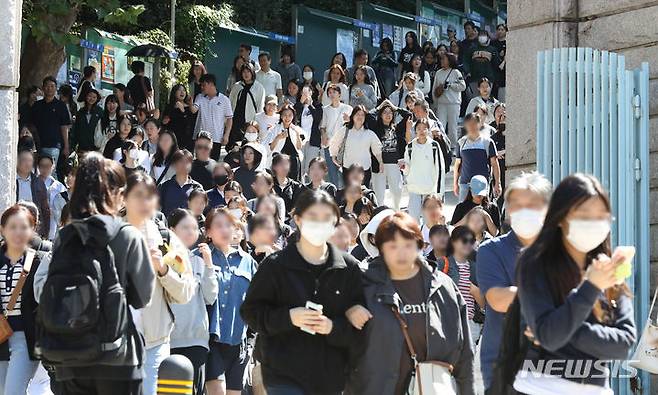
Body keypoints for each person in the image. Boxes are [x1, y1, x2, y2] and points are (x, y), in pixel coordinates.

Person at [32, 153, 154, 395]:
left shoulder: (65, 237)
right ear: (114, 194)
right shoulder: (127, 235)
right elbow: (142, 297)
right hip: (117, 355)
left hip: (69, 355)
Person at [513, 174, 635, 394]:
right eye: (584, 214)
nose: (594, 223)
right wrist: (590, 287)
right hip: (539, 386)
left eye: (601, 216)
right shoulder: (534, 263)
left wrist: (562, 329)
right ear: (560, 217)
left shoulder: (609, 269)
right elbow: (550, 335)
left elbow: (624, 344)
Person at [241, 190, 364, 394]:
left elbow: (358, 328)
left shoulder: (348, 268)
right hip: (283, 374)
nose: (319, 224)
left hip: (331, 376)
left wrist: (332, 327)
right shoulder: (275, 266)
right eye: (312, 217)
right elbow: (251, 313)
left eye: (326, 218)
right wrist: (288, 317)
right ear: (297, 219)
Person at [344, 212, 475, 395]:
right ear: (380, 249)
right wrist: (347, 311)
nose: (401, 253)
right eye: (392, 246)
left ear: (420, 244)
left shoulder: (443, 286)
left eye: (407, 244)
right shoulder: (362, 284)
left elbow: (465, 353)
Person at [474, 172, 551, 391]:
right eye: (517, 204)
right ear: (508, 211)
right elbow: (498, 299)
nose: (524, 211)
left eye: (532, 204)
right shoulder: (491, 250)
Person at [121, 171, 195, 395]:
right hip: (115, 344)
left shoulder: (166, 238)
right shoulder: (107, 235)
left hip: (155, 342)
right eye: (138, 195)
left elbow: (186, 291)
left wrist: (163, 270)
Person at [202, 208, 258, 395]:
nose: (225, 230)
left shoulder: (248, 262)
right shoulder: (199, 257)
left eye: (229, 225)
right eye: (218, 225)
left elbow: (256, 300)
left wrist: (250, 341)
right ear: (208, 232)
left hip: (238, 340)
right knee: (217, 391)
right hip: (211, 341)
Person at [168, 209, 219, 395]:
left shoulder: (199, 261)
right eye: (185, 227)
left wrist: (208, 264)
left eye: (195, 228)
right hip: (168, 341)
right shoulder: (163, 260)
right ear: (172, 230)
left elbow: (210, 296)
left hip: (196, 340)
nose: (191, 232)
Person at [0, 205, 46, 394]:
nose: (18, 232)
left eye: (24, 227)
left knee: (13, 391)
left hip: (25, 338)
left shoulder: (39, 261)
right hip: (0, 335)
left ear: (32, 230)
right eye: (13, 227)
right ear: (2, 229)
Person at [367, 100, 407, 210]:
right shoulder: (375, 127)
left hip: (394, 163)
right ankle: (380, 213)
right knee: (379, 193)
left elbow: (408, 115)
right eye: (385, 112)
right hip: (379, 164)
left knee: (397, 190)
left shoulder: (397, 128)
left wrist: (396, 107)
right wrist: (379, 107)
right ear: (380, 115)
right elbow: (369, 115)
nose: (388, 115)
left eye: (390, 112)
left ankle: (396, 211)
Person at [329, 105, 383, 187]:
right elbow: (334, 142)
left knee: (364, 195)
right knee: (349, 196)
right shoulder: (345, 130)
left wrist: (380, 162)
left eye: (362, 115)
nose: (360, 117)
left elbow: (377, 149)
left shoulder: (369, 133)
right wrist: (333, 156)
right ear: (352, 116)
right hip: (348, 169)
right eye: (357, 114)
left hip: (364, 170)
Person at [402, 119, 445, 220]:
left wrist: (439, 193)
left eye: (425, 128)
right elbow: (407, 170)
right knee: (413, 220)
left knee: (429, 221)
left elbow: (440, 169)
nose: (422, 131)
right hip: (414, 189)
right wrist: (404, 167)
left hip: (429, 189)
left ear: (428, 130)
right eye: (419, 128)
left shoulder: (434, 146)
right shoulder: (410, 147)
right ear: (415, 130)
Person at [454, 113, 501, 201]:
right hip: (465, 184)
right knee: (464, 211)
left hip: (482, 184)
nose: (471, 127)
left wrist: (497, 183)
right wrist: (455, 184)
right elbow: (457, 164)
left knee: (482, 210)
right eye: (469, 124)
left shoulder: (487, 142)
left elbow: (494, 164)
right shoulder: (461, 142)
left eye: (474, 123)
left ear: (479, 124)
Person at [31, 76, 71, 162]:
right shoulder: (37, 105)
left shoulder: (61, 106)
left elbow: (64, 127)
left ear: (56, 88)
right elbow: (31, 124)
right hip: (37, 144)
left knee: (50, 171)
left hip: (54, 145)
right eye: (47, 86)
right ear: (43, 88)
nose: (49, 88)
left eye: (52, 86)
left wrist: (66, 146)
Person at [194, 74, 233, 161]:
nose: (202, 87)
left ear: (211, 84)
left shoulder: (224, 99)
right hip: (202, 138)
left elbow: (229, 118)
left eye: (204, 85)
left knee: (213, 164)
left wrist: (226, 135)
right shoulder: (200, 97)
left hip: (216, 138)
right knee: (200, 162)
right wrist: (189, 103)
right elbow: (193, 110)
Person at [320, 84, 353, 187]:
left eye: (334, 92)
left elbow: (354, 125)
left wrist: (349, 120)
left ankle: (346, 193)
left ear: (339, 94)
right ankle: (335, 195)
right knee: (332, 171)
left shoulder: (348, 108)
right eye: (329, 92)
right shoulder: (325, 109)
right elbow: (323, 126)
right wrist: (324, 135)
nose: (332, 94)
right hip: (329, 143)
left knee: (345, 169)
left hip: (344, 143)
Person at [16, 148, 51, 239]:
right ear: (17, 161)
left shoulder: (38, 182)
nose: (27, 163)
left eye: (30, 160)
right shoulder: (12, 181)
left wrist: (45, 232)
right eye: (24, 160)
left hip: (32, 226)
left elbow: (45, 208)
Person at [433, 52, 466, 148]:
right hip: (441, 103)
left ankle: (453, 147)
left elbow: (463, 86)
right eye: (441, 59)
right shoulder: (438, 73)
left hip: (453, 103)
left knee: (452, 127)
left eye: (444, 59)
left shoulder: (456, 72)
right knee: (441, 126)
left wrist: (451, 85)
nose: (442, 61)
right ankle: (442, 146)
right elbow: (434, 89)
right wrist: (435, 104)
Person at [229, 63, 266, 145]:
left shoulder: (259, 87)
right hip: (236, 120)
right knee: (235, 145)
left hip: (250, 121)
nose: (246, 74)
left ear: (252, 72)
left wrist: (257, 122)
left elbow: (260, 106)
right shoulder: (237, 86)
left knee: (249, 144)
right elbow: (231, 102)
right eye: (244, 72)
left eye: (248, 72)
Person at [158, 149, 203, 217]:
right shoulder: (164, 186)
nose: (184, 165)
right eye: (181, 161)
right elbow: (156, 209)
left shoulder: (197, 187)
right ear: (174, 164)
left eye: (187, 162)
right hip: (168, 226)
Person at [264, 105, 304, 181]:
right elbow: (270, 148)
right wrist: (278, 138)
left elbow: (299, 147)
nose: (287, 118)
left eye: (290, 115)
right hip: (279, 161)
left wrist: (297, 134)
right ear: (281, 116)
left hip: (294, 162)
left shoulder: (296, 129)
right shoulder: (274, 129)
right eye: (285, 115)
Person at [294, 87, 324, 177]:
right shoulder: (298, 105)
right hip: (300, 141)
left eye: (308, 92)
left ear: (312, 93)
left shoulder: (317, 105)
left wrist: (310, 105)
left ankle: (312, 188)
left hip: (313, 140)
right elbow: (294, 117)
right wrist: (300, 103)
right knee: (300, 166)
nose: (306, 94)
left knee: (311, 166)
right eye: (304, 92)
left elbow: (318, 118)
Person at [37, 155, 68, 240]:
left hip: (54, 221)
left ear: (53, 166)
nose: (45, 169)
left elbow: (64, 208)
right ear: (38, 167)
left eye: (48, 166)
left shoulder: (59, 186)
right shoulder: (33, 183)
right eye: (42, 166)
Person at [463, 31, 500, 100]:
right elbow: (466, 61)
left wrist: (494, 77)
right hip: (474, 78)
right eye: (480, 35)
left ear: (488, 37)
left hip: (488, 79)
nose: (482, 37)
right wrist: (467, 71)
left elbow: (496, 64)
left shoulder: (492, 50)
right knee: (475, 99)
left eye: (484, 35)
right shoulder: (472, 49)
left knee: (485, 98)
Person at [163, 83, 197, 152]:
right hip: (172, 139)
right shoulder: (169, 107)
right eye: (179, 90)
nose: (182, 92)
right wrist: (164, 122)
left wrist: (183, 111)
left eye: (184, 90)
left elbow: (190, 124)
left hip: (186, 141)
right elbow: (164, 124)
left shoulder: (189, 107)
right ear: (174, 92)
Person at [70, 88, 103, 152]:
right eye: (89, 96)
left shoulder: (100, 111)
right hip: (82, 145)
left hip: (95, 145)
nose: (91, 99)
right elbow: (76, 128)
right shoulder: (80, 111)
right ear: (86, 96)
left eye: (94, 97)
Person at [491, 24, 507, 101]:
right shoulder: (493, 43)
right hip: (494, 71)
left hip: (503, 72)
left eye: (502, 29)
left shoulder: (508, 42)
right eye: (498, 29)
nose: (500, 31)